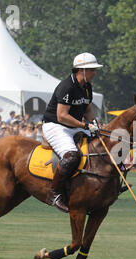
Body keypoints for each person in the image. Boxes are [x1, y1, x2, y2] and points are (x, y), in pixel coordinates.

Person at [42, 52, 101, 212]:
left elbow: (88, 109)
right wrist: (84, 125)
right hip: (55, 125)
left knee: (102, 144)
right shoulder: (66, 86)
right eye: (92, 70)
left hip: (74, 125)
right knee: (71, 156)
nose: (94, 73)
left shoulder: (87, 86)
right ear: (81, 70)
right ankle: (54, 194)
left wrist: (95, 123)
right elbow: (62, 116)